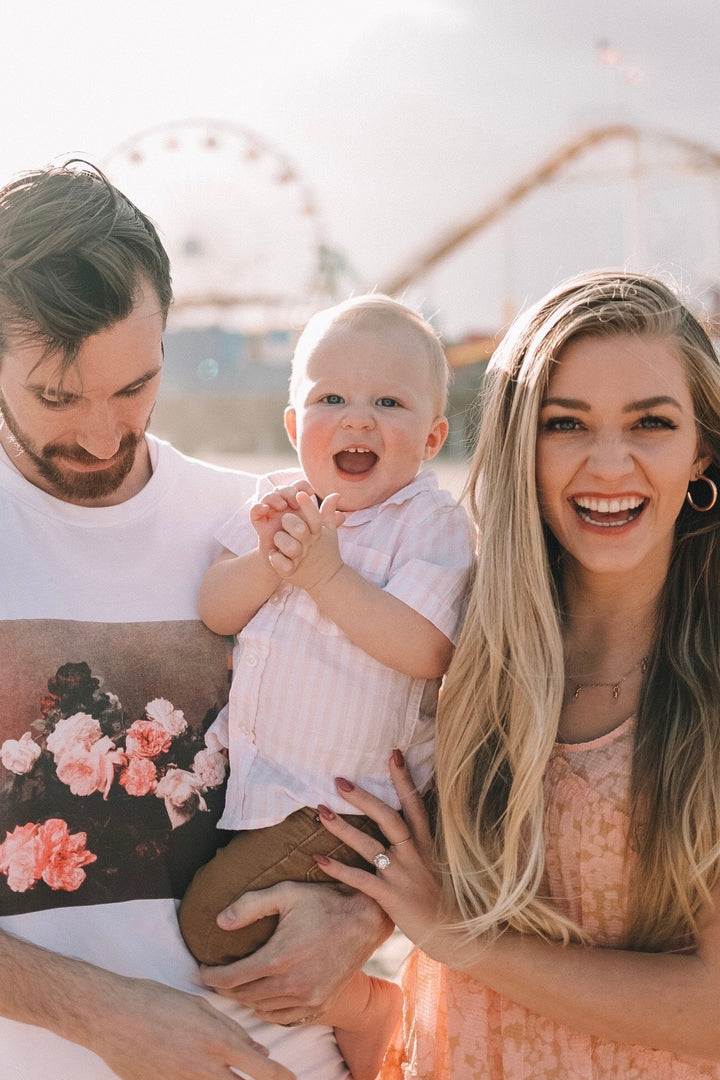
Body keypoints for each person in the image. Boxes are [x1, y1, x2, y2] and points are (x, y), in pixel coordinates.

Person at [0, 162, 390, 1080]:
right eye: (57, 398)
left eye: (134, 387)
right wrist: (102, 1014)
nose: (101, 435)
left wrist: (367, 916)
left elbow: (411, 773)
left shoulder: (261, 528)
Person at [309, 270, 720, 1078]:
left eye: (652, 423)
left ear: (702, 450)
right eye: (566, 423)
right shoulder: (452, 651)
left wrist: (464, 939)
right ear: (519, 447)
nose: (609, 464)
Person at [178, 295, 474, 1080]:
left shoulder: (427, 523)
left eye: (389, 402)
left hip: (350, 804)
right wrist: (272, 559)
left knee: (212, 927)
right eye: (331, 399)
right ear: (292, 425)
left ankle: (369, 1009)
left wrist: (325, 574)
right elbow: (214, 607)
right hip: (269, 796)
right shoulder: (280, 504)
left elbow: (427, 646)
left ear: (433, 437)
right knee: (219, 913)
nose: (357, 420)